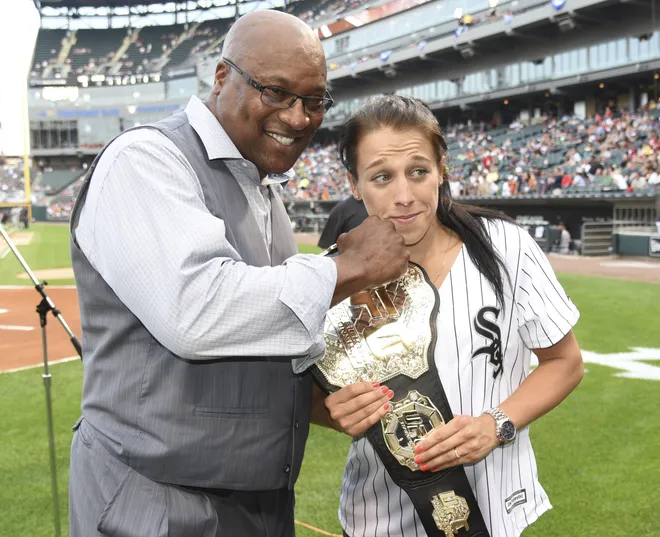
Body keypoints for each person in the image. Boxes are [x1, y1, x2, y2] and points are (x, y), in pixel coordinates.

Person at [67, 11, 408, 537]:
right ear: (222, 78)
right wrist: (348, 268)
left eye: (314, 101)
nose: (297, 117)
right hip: (157, 501)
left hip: (257, 499)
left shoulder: (261, 184)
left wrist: (327, 392)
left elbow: (265, 331)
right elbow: (197, 308)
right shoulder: (145, 158)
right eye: (276, 92)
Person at [313, 95, 584, 537]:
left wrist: (494, 425)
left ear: (442, 168)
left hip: (493, 513)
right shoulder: (328, 278)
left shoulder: (505, 247)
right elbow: (299, 395)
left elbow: (565, 362)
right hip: (379, 519)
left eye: (418, 171)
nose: (404, 196)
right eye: (382, 177)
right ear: (354, 184)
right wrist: (328, 411)